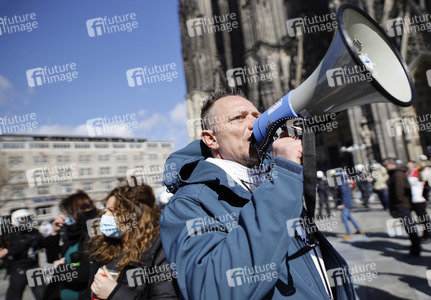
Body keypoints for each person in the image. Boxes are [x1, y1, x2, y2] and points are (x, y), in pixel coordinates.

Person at [159, 89, 356, 299]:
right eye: (239, 118)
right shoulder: (188, 204)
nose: (256, 124)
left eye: (258, 117)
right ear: (211, 139)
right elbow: (213, 289)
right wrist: (284, 172)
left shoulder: (272, 180)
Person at [88, 183, 180, 299]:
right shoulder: (106, 247)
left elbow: (165, 296)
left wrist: (115, 294)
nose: (106, 215)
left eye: (113, 211)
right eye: (106, 210)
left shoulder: (159, 250)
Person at [43, 190, 99, 300]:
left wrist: (60, 267)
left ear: (80, 213)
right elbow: (51, 258)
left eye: (70, 214)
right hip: (62, 294)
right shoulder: (71, 235)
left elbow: (83, 274)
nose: (66, 217)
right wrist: (55, 233)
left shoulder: (91, 236)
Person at [4, 209, 46, 300]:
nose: (26, 221)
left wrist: (38, 238)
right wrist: (26, 241)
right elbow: (12, 251)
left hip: (33, 267)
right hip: (18, 268)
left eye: (27, 218)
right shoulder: (11, 234)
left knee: (42, 294)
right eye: (23, 219)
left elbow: (44, 244)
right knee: (14, 295)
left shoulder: (33, 231)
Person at [383, 158, 421, 257]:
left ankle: (416, 248)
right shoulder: (395, 173)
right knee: (408, 226)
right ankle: (415, 246)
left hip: (402, 204)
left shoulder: (397, 174)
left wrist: (397, 204)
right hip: (402, 204)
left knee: (409, 226)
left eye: (386, 164)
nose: (385, 166)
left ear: (392, 164)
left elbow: (399, 192)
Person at [406, 161, 431, 244]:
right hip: (412, 200)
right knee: (419, 219)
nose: (408, 168)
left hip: (419, 199)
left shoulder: (419, 172)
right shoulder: (409, 173)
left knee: (424, 219)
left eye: (409, 166)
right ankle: (423, 235)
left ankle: (428, 236)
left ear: (414, 166)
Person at [333, 170, 364, 240]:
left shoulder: (342, 183)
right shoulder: (343, 182)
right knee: (349, 217)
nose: (334, 178)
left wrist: (343, 204)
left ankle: (349, 233)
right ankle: (359, 229)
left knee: (344, 218)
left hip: (345, 204)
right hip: (347, 202)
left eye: (335, 176)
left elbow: (344, 195)